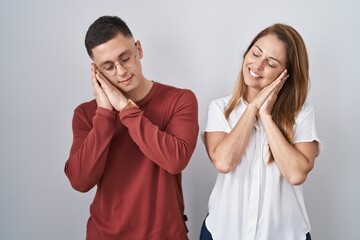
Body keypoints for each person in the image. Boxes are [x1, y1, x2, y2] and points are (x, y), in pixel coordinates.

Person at [64, 16, 199, 240]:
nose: (121, 72)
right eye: (108, 67)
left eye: (125, 58)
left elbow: (175, 160)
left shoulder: (180, 100)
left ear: (139, 49)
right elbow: (80, 181)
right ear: (96, 72)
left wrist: (126, 109)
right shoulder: (86, 115)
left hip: (166, 235)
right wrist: (106, 114)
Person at [200, 23, 322, 240]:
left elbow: (296, 174)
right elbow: (224, 162)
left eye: (271, 63)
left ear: (286, 75)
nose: (257, 65)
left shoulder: (302, 114)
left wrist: (266, 117)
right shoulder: (220, 109)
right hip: (223, 232)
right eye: (255, 53)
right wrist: (253, 108)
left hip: (284, 234)